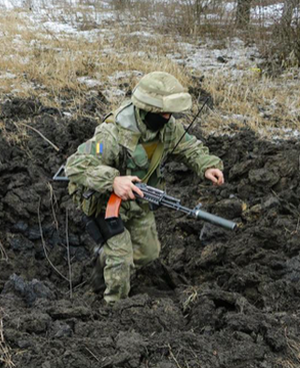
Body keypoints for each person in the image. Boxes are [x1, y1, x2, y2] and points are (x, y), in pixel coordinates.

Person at [65, 71, 225, 304]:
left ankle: (103, 262)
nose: (168, 118)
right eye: (163, 113)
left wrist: (207, 166)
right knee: (121, 259)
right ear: (147, 109)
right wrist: (113, 181)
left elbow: (189, 148)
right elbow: (75, 165)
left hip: (138, 201)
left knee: (148, 253)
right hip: (106, 202)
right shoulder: (112, 134)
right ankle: (114, 308)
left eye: (170, 113)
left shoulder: (167, 128)